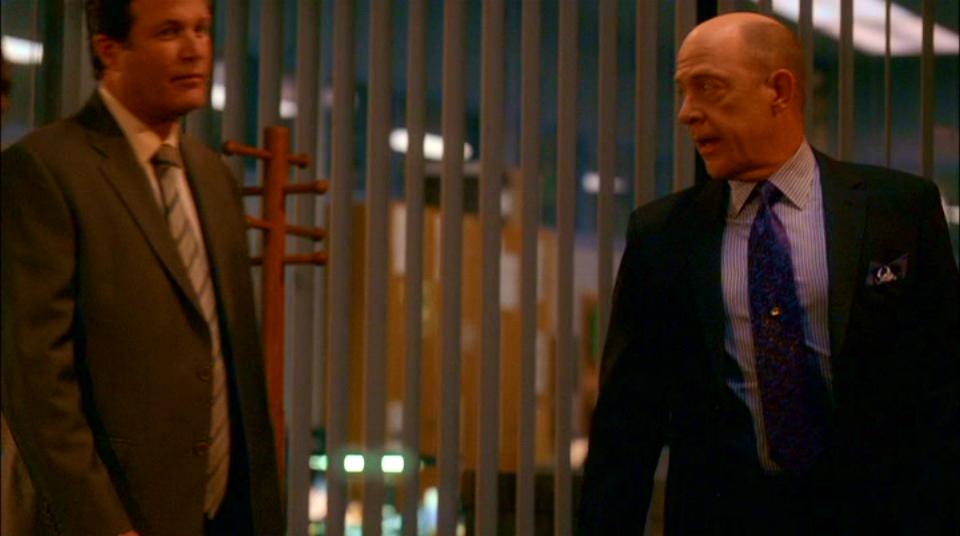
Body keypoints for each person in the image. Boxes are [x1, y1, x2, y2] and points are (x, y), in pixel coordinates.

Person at [578, 12, 959, 535]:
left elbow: (943, 388)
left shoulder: (898, 210)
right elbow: (628, 421)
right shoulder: (663, 236)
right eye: (683, 92)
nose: (688, 113)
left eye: (709, 88)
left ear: (778, 91)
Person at [1, 0, 283, 534]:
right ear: (111, 51)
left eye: (202, 29)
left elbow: (232, 369)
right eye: (170, 32)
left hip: (220, 516)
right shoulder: (45, 170)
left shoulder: (214, 177)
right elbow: (37, 385)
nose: (195, 49)